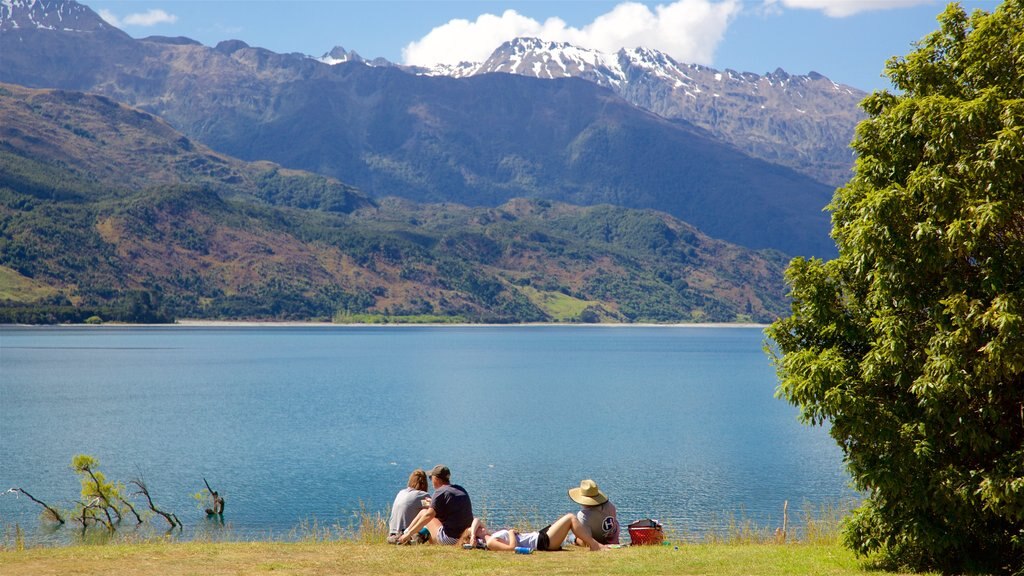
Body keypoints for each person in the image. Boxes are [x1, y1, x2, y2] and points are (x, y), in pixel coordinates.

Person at [397, 464, 473, 545]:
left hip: (450, 540)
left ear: (436, 479)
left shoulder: (440, 491)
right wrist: (433, 503)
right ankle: (415, 538)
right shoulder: (460, 489)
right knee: (432, 520)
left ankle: (406, 534)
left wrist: (409, 533)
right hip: (465, 537)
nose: (431, 481)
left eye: (431, 478)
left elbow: (428, 516)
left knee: (424, 512)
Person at [469, 513, 610, 552]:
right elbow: (511, 548)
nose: (481, 528)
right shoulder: (491, 542)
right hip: (542, 542)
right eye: (478, 530)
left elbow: (476, 519)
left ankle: (586, 542)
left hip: (539, 535)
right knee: (570, 518)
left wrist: (472, 535)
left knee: (565, 522)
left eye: (479, 528)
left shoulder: (489, 535)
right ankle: (594, 545)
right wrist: (511, 532)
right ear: (478, 538)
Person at [568, 479, 619, 545]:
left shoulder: (583, 515)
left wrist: (575, 540)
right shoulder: (610, 505)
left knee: (571, 537)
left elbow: (586, 542)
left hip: (596, 541)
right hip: (611, 540)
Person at [386, 469, 429, 544]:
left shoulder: (401, 492)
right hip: (405, 535)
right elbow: (433, 512)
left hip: (392, 535)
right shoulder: (422, 495)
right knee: (432, 517)